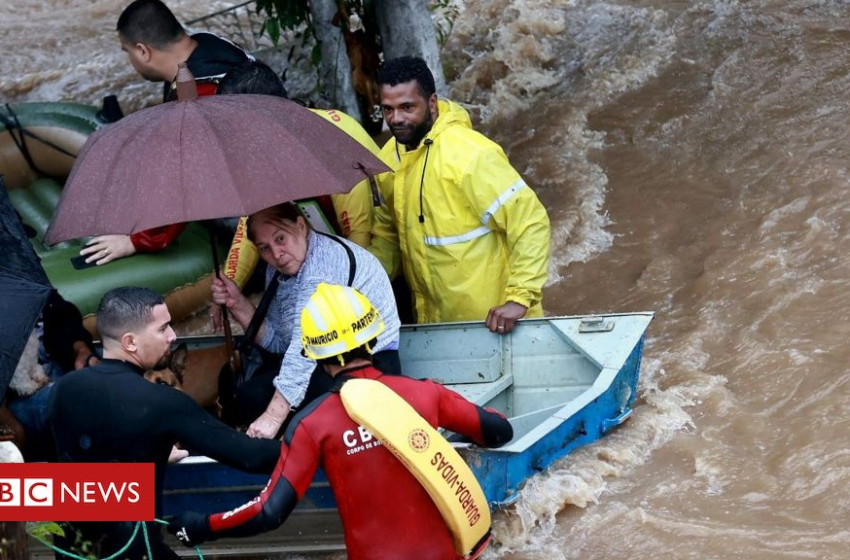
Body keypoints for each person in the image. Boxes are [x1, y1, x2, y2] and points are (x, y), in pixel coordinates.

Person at [168, 283, 513, 559]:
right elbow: (498, 431)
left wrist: (202, 526)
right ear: (375, 338)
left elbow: (268, 511)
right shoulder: (424, 394)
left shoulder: (311, 424)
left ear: (314, 356)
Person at [47, 287, 279, 560]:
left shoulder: (61, 390)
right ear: (130, 342)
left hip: (72, 553)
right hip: (136, 553)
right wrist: (314, 437)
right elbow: (250, 457)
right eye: (163, 328)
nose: (173, 336)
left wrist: (151, 454)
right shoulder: (162, 402)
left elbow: (81, 463)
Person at [369, 56, 551, 334]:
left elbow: (529, 222)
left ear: (431, 103)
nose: (396, 119)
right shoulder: (388, 160)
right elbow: (388, 235)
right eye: (388, 109)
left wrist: (519, 298)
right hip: (436, 327)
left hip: (499, 324)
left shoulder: (470, 155)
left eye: (407, 107)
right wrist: (362, 280)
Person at [80, 0, 254, 266]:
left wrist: (135, 240)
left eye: (127, 51)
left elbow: (186, 179)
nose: (130, 60)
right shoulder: (209, 44)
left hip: (254, 207)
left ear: (142, 51)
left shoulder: (197, 95)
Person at [211, 203, 401, 439]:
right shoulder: (279, 271)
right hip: (327, 363)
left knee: (264, 403)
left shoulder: (321, 265)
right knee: (245, 393)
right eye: (265, 248)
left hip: (368, 364)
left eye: (280, 238)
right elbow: (280, 342)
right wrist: (237, 303)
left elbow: (302, 349)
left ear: (301, 226)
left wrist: (272, 418)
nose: (276, 254)